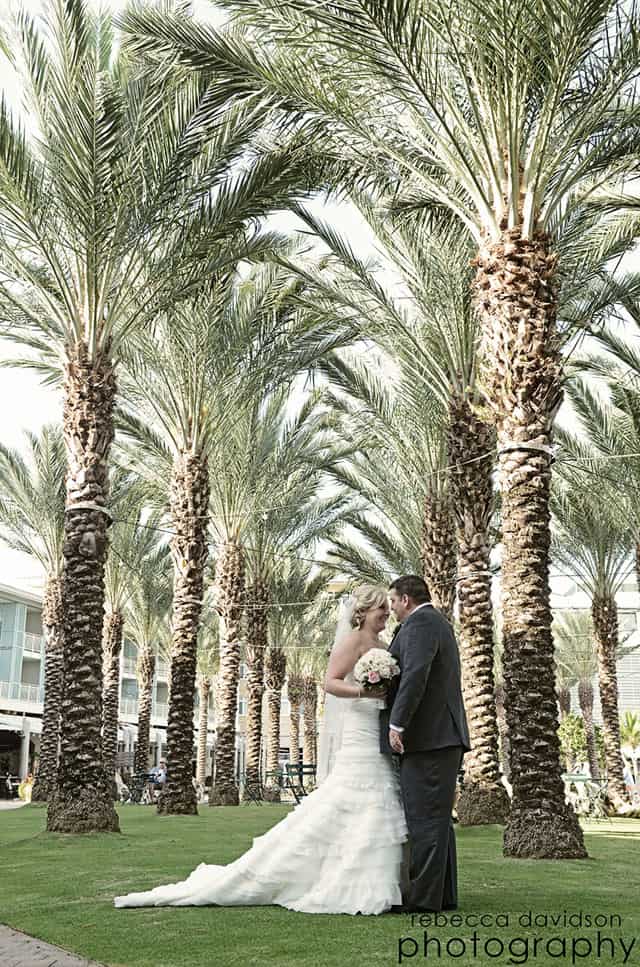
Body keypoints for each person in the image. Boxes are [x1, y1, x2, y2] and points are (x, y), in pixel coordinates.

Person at [114, 585, 408, 914]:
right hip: (358, 727)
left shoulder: (385, 646)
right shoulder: (353, 641)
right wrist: (363, 692)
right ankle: (333, 883)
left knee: (375, 802)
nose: (386, 613)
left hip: (377, 731)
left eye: (387, 607)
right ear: (364, 611)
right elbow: (330, 682)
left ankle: (369, 886)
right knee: (351, 797)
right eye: (381, 607)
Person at [381, 575, 470, 913]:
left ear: (406, 599)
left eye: (393, 601)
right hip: (440, 738)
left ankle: (422, 901)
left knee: (425, 820)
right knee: (437, 820)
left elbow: (415, 674)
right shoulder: (435, 622)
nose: (391, 609)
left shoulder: (420, 624)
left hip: (430, 739)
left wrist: (397, 723)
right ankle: (442, 896)